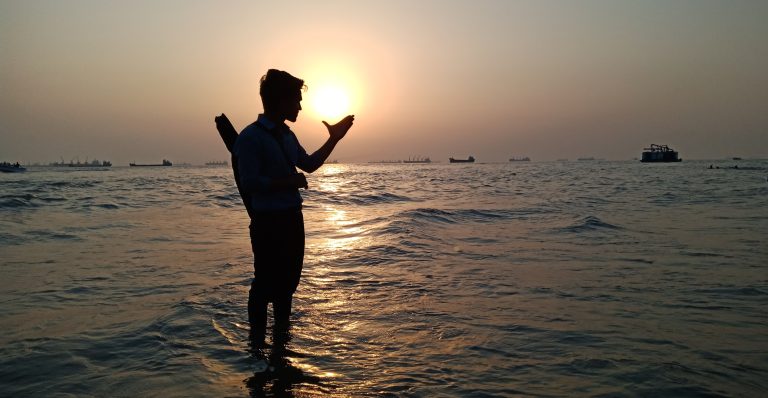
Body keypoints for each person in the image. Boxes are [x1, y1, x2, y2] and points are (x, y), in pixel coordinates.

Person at [233, 69, 354, 346]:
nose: (300, 106)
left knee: (287, 286)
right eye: (296, 100)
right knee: (264, 285)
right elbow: (250, 182)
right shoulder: (251, 137)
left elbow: (308, 164)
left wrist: (334, 138)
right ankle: (256, 347)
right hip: (267, 222)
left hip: (292, 219)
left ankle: (281, 346)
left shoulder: (287, 135)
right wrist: (288, 181)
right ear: (279, 100)